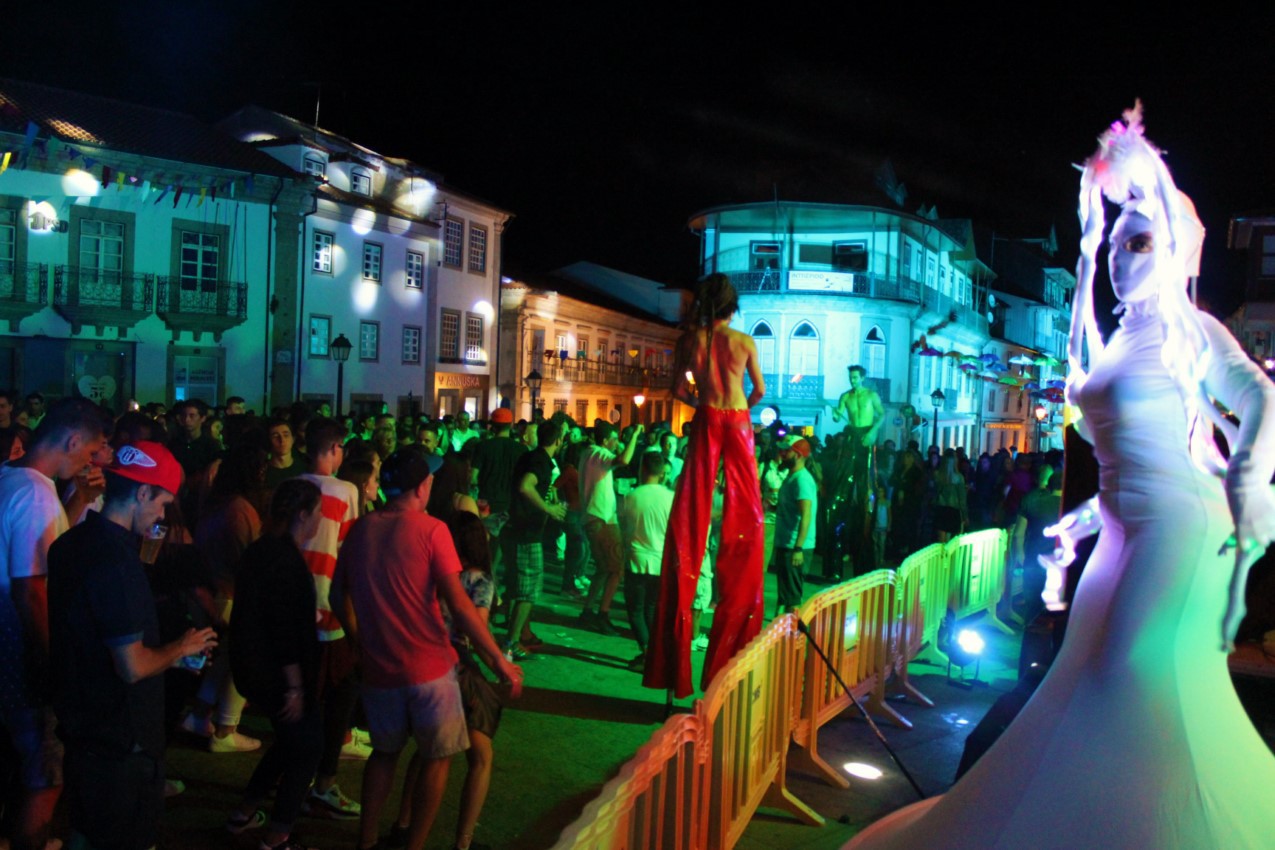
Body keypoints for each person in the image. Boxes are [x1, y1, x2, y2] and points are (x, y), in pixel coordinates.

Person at [847, 104, 1275, 849]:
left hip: (1177, 536)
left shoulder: (1192, 333)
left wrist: (1249, 489)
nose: (1120, 260)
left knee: (1130, 685)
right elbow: (1123, 454)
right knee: (1084, 688)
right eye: (1114, 246)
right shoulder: (1116, 345)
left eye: (1140, 243)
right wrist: (1079, 522)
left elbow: (1260, 400)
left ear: (1172, 250)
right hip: (1117, 538)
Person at [330, 447, 522, 850]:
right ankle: (414, 845)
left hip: (380, 668)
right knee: (438, 757)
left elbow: (336, 595)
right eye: (430, 476)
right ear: (422, 486)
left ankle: (366, 841)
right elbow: (461, 605)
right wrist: (498, 660)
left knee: (384, 755)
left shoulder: (362, 529)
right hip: (430, 669)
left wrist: (358, 640)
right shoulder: (432, 530)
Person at [48, 442, 218, 850]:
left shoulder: (71, 543)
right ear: (142, 492)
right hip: (121, 740)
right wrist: (181, 647)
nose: (162, 515)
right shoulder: (116, 562)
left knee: (84, 832)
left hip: (82, 726)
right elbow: (132, 666)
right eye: (161, 503)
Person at [644, 273, 766, 699]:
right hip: (735, 421)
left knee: (689, 519)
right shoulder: (744, 341)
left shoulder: (690, 342)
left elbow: (678, 388)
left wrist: (702, 406)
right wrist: (740, 412)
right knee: (749, 522)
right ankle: (729, 655)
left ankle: (674, 667)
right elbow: (759, 391)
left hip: (707, 420)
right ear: (733, 307)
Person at [0, 398, 110, 850]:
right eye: (92, 450)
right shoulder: (35, 494)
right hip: (19, 655)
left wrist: (78, 500)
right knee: (45, 774)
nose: (93, 460)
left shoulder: (11, 479)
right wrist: (50, 664)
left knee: (15, 763)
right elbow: (32, 589)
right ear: (71, 440)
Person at [226, 478, 325, 850]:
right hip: (277, 673)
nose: (320, 520)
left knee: (287, 741)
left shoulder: (261, 550)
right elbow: (283, 630)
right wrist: (296, 686)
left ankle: (245, 812)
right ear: (302, 515)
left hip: (252, 665)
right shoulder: (286, 561)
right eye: (317, 513)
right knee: (306, 746)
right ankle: (278, 835)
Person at [503, 420, 567, 659]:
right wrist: (548, 509)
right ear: (558, 440)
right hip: (526, 533)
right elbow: (525, 486)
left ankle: (516, 637)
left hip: (517, 530)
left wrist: (546, 499)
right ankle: (510, 643)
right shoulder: (540, 461)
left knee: (518, 588)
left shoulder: (532, 457)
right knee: (528, 593)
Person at [577, 420, 642, 634]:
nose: (617, 443)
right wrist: (634, 435)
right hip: (602, 519)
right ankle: (602, 614)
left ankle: (587, 611)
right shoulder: (597, 453)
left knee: (603, 569)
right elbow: (624, 459)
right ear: (605, 440)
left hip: (593, 517)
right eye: (615, 439)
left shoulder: (588, 454)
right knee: (616, 569)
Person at [619, 452, 673, 672]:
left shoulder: (631, 497)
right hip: (661, 562)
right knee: (651, 609)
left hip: (637, 559)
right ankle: (654, 654)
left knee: (636, 610)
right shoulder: (671, 497)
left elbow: (624, 529)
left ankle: (648, 653)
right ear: (662, 473)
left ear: (642, 469)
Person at [772, 437, 817, 613]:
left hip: (795, 547)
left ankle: (794, 636)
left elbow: (806, 514)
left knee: (792, 598)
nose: (782, 454)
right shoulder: (792, 477)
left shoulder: (802, 480)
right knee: (785, 594)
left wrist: (798, 548)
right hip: (787, 544)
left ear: (798, 455)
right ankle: (781, 634)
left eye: (786, 450)